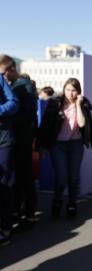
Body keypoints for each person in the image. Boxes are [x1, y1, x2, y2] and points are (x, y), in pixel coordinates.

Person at [37, 78, 92, 218]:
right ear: (64, 89)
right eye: (68, 90)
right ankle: (57, 200)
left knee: (74, 178)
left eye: (74, 90)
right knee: (61, 178)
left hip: (75, 144)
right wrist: (43, 145)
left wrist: (78, 105)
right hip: (58, 144)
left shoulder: (83, 104)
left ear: (79, 91)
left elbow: (82, 124)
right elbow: (45, 125)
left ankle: (72, 204)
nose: (70, 93)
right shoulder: (55, 103)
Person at [1, 55, 38, 225]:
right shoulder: (16, 86)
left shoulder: (24, 86)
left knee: (24, 176)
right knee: (17, 177)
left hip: (22, 138)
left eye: (3, 73)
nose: (2, 76)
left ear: (11, 69)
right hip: (17, 136)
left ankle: (29, 214)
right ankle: (19, 211)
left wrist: (9, 119)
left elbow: (29, 114)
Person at [0, 55, 19, 245]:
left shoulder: (0, 78)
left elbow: (13, 103)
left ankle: (6, 228)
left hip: (2, 141)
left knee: (4, 184)